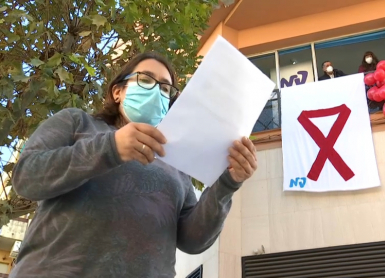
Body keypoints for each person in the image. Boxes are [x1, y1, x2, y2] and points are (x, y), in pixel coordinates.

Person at [10, 52, 258, 277]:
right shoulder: (77, 123)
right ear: (118, 91)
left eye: (165, 89)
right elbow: (27, 176)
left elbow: (192, 241)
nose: (157, 91)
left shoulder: (175, 160)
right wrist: (111, 148)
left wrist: (226, 183)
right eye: (146, 80)